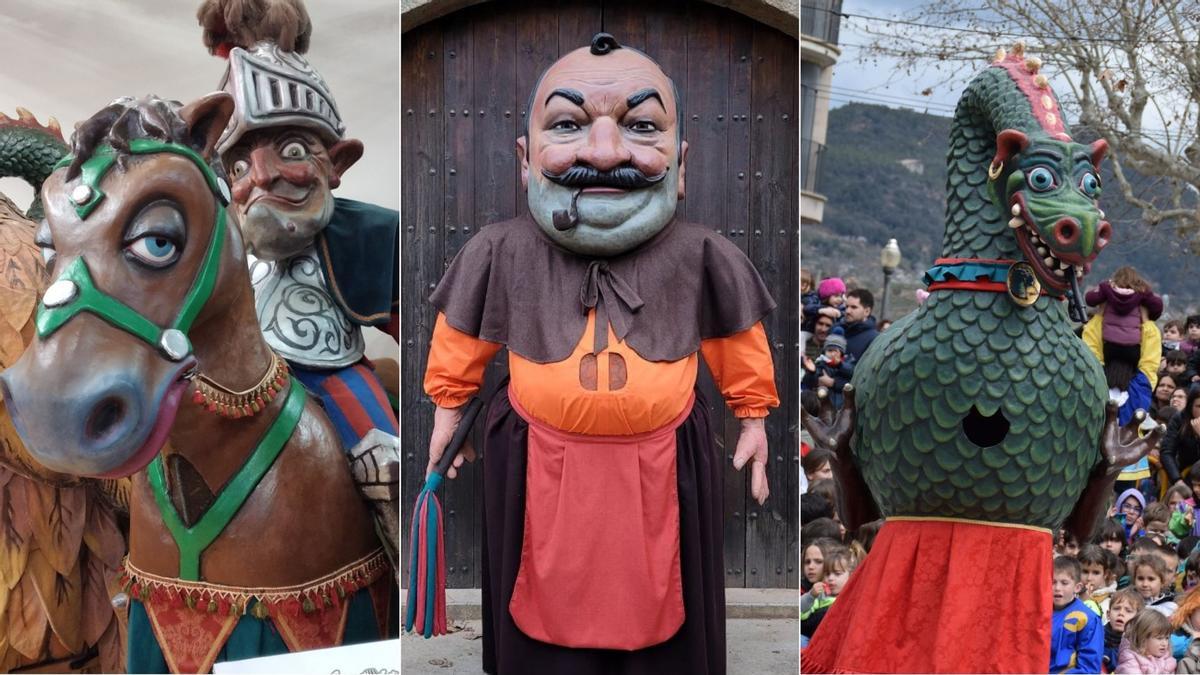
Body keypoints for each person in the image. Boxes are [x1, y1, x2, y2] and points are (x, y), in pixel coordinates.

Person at [421, 32, 780, 673]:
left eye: (641, 125)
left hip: (666, 462)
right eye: (569, 124)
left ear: (682, 161)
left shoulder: (704, 252)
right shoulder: (498, 249)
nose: (606, 151)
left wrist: (752, 418)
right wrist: (448, 412)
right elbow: (462, 339)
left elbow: (738, 341)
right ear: (525, 160)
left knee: (667, 615)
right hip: (536, 459)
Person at [1085, 267, 1163, 354]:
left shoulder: (1106, 289)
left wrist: (1104, 293)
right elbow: (1157, 306)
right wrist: (1148, 315)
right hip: (1132, 346)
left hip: (1109, 344)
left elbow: (1090, 299)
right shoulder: (1142, 292)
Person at [1050, 556, 1104, 674]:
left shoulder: (1088, 619)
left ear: (1077, 587)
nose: (1057, 588)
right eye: (1053, 582)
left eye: (1064, 583)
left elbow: (1089, 667)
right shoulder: (1039, 613)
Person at [801, 544, 857, 644]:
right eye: (827, 574)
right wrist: (811, 596)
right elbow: (801, 613)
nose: (830, 578)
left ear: (852, 575)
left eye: (837, 573)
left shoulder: (855, 597)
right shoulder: (821, 596)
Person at [1162, 388, 1200, 490]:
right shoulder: (1179, 418)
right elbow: (1167, 452)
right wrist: (1177, 480)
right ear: (1190, 406)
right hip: (1185, 475)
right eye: (1198, 406)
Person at [802, 334, 854, 407]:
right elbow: (808, 382)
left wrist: (833, 383)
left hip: (842, 405)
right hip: (823, 405)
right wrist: (812, 372)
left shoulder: (848, 364)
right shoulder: (820, 364)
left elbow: (851, 379)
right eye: (829, 350)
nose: (832, 354)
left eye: (836, 351)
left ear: (841, 353)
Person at [1104, 589, 1146, 672]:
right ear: (1108, 614)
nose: (1121, 613)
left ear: (1137, 619)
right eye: (1116, 608)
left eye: (1128, 611)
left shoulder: (1139, 645)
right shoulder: (1095, 635)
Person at [836, 289, 879, 361]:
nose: (847, 311)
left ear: (867, 311)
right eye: (847, 306)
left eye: (853, 307)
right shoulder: (836, 330)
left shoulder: (874, 339)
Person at [1080, 544, 1120, 621]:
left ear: (1105, 574)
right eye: (1085, 571)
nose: (1089, 578)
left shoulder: (1111, 603)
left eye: (1096, 573)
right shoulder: (1067, 595)